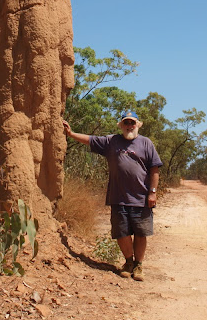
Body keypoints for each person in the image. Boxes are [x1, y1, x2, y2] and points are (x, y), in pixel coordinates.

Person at [62, 111, 162, 281]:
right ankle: (128, 262)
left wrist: (152, 193)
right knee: (121, 232)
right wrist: (71, 134)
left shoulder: (146, 143)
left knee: (140, 233)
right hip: (118, 197)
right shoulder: (112, 141)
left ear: (138, 124)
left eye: (132, 123)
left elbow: (154, 169)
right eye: (126, 123)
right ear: (121, 125)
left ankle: (138, 265)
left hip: (141, 198)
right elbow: (90, 139)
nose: (129, 126)